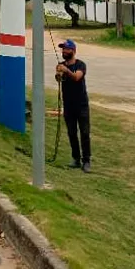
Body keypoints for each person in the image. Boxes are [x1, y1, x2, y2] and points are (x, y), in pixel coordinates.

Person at [56, 39, 91, 173]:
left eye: (67, 49)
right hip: (68, 105)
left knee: (85, 133)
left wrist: (67, 71)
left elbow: (77, 78)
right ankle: (75, 158)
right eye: (63, 49)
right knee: (71, 133)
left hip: (81, 105)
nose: (64, 51)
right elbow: (58, 78)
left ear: (73, 51)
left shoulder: (80, 65)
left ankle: (86, 161)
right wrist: (59, 73)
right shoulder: (61, 65)